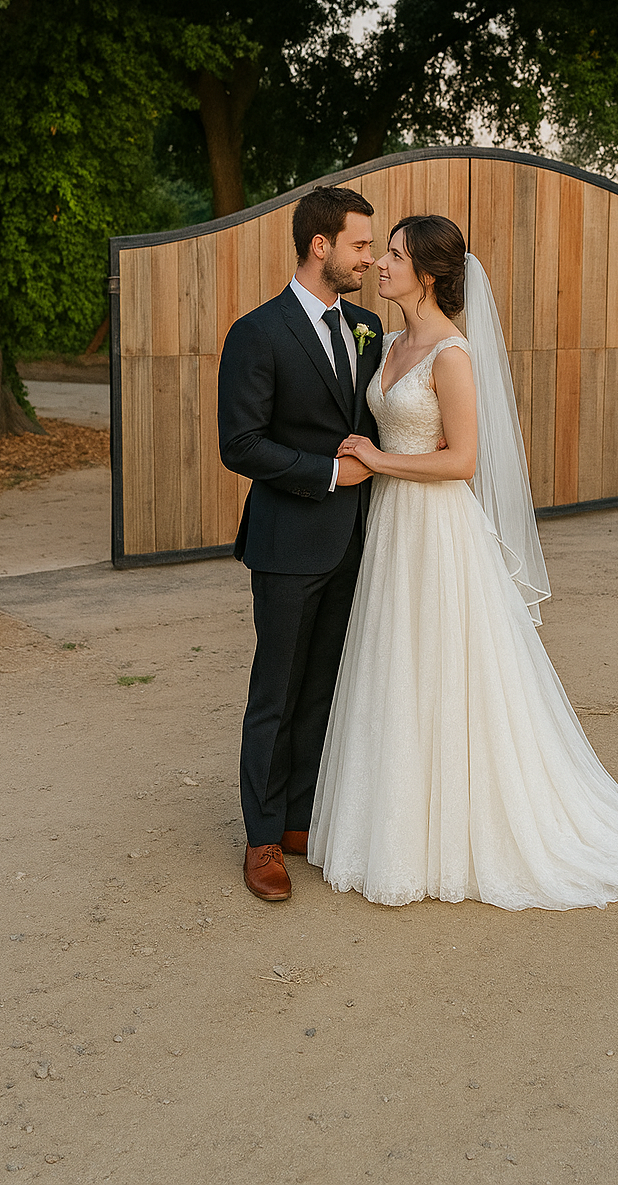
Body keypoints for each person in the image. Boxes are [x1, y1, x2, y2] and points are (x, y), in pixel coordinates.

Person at [310, 214, 618, 911]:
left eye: (393, 255)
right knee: (398, 666)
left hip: (436, 528)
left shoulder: (451, 355)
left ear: (426, 273)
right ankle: (395, 826)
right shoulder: (389, 341)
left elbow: (463, 460)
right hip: (392, 527)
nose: (381, 265)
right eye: (382, 252)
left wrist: (376, 457)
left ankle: (458, 835)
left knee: (448, 672)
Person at [217, 187, 384, 903]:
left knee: (323, 688)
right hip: (287, 543)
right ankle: (260, 839)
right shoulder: (257, 333)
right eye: (360, 246)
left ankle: (298, 820)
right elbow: (241, 444)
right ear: (321, 246)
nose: (370, 260)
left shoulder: (369, 326)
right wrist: (327, 472)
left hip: (355, 542)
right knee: (276, 693)